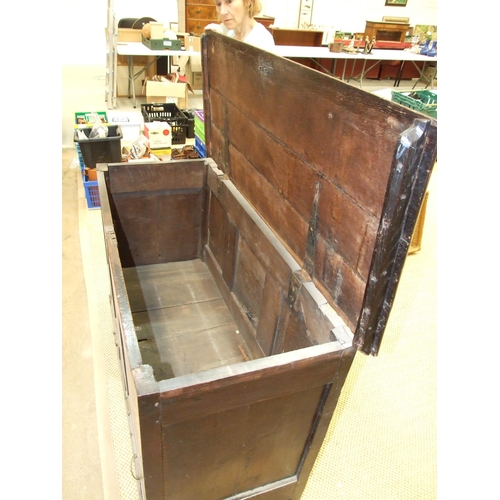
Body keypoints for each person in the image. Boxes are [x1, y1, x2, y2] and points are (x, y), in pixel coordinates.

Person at [205, 0, 275, 51]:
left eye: (229, 1)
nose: (222, 12)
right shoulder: (231, 35)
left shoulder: (262, 40)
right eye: (219, 4)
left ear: (248, 1)